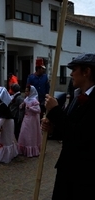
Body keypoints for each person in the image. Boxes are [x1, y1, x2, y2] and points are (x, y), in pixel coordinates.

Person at [41, 53, 95, 199]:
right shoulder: (77, 96)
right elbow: (68, 127)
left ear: (86, 71)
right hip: (67, 168)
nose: (70, 74)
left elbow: (79, 136)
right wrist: (53, 129)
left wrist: (55, 110)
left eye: (74, 69)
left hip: (84, 175)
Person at [0, 87, 18, 163]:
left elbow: (2, 117)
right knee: (9, 139)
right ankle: (12, 154)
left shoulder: (2, 105)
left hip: (7, 122)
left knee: (5, 140)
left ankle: (4, 157)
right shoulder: (5, 103)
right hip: (9, 121)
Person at [18, 85, 42, 157]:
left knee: (30, 134)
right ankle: (24, 147)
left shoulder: (34, 100)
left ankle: (31, 149)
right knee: (24, 132)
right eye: (25, 91)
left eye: (27, 91)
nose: (26, 92)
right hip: (26, 118)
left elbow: (38, 110)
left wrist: (30, 108)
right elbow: (24, 104)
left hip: (32, 120)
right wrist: (22, 105)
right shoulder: (27, 99)